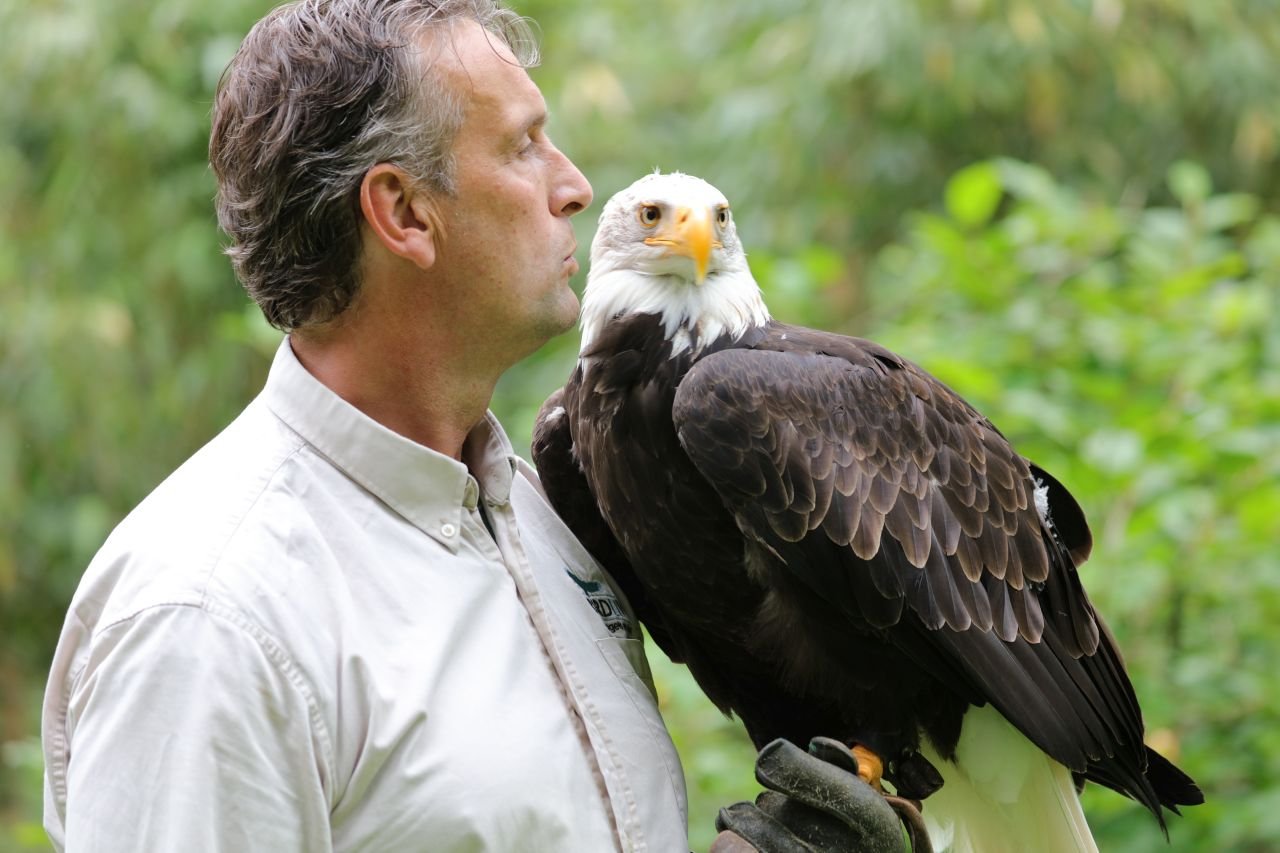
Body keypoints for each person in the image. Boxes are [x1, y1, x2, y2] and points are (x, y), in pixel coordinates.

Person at [41, 1, 909, 850]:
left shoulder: (543, 511)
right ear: (405, 214)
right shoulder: (209, 622)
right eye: (524, 145)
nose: (574, 188)